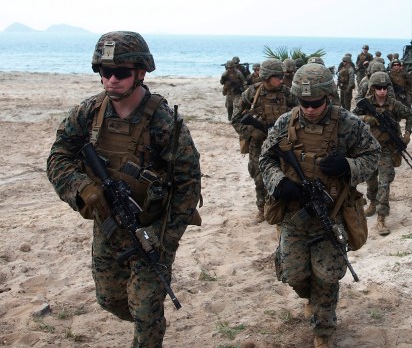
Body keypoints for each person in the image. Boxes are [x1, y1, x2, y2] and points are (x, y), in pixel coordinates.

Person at [47, 31, 202, 347]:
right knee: (110, 300)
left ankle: (150, 324)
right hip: (108, 225)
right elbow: (59, 156)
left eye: (121, 72)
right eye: (106, 72)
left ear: (141, 72)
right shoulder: (88, 113)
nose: (112, 80)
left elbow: (188, 183)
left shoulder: (164, 121)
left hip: (151, 228)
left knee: (146, 308)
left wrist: (166, 240)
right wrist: (82, 189)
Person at [259, 63, 380, 348]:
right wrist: (279, 182)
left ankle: (323, 332)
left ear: (328, 97)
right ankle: (311, 299)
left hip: (333, 213)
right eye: (304, 103)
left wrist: (348, 166)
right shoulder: (285, 123)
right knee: (294, 273)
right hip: (294, 215)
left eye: (316, 103)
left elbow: (373, 155)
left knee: (328, 275)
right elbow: (266, 158)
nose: (310, 109)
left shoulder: (348, 124)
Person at [231, 58, 296, 224]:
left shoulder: (287, 93)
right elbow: (236, 118)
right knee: (259, 177)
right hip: (259, 144)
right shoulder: (252, 93)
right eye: (277, 76)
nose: (281, 80)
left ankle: (280, 209)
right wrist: (252, 132)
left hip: (282, 143)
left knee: (284, 176)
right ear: (267, 77)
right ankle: (262, 209)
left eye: (282, 76)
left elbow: (298, 114)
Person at [353, 71, 412, 236]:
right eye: (378, 88)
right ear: (373, 88)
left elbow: (410, 115)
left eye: (385, 87)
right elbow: (352, 117)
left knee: (385, 182)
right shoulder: (365, 103)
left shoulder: (394, 105)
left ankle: (381, 216)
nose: (382, 91)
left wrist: (407, 134)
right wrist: (367, 118)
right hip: (369, 149)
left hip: (387, 148)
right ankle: (373, 202)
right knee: (371, 180)